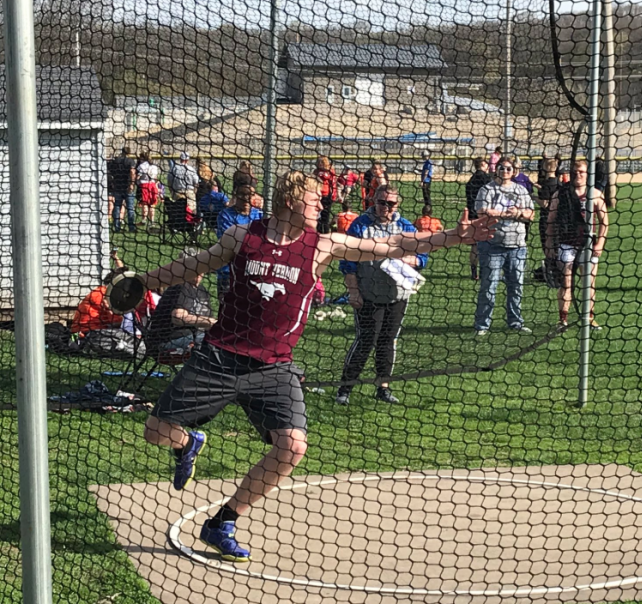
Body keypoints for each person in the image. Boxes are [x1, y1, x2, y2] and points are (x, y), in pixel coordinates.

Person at [136, 169, 496, 562]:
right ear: (290, 202)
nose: (321, 204)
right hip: (219, 356)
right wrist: (141, 282)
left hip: (273, 367)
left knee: (292, 447)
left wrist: (454, 237)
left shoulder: (322, 245)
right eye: (314, 200)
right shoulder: (242, 237)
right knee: (156, 431)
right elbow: (193, 265)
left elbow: (392, 243)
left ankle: (222, 522)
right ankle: (189, 444)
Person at [336, 185, 428, 406]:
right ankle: (345, 389)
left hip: (397, 294)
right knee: (366, 340)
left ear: (398, 204)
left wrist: (411, 260)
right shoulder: (360, 225)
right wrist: (353, 291)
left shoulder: (405, 226)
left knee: (388, 340)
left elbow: (423, 256)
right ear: (373, 201)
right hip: (368, 294)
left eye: (391, 204)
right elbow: (347, 262)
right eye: (381, 202)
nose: (386, 208)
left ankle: (383, 387)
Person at [474, 156, 535, 335]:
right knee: (489, 286)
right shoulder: (487, 189)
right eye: (502, 168)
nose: (505, 171)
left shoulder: (521, 190)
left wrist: (518, 213)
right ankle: (482, 325)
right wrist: (505, 213)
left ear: (514, 171)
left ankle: (515, 322)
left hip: (517, 246)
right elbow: (482, 211)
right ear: (496, 169)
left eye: (509, 168)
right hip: (492, 245)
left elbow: (531, 214)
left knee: (516, 286)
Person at [545, 159, 608, 330]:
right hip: (567, 243)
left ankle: (590, 317)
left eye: (582, 172)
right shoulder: (560, 194)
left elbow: (604, 222)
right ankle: (563, 319)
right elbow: (550, 221)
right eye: (575, 172)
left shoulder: (595, 194)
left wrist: (600, 243)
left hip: (588, 245)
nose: (578, 175)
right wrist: (550, 243)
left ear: (588, 174)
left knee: (589, 283)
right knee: (567, 283)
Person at [145, 248, 216, 353]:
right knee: (211, 343)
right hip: (167, 341)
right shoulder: (179, 287)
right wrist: (210, 322)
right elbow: (178, 318)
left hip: (193, 337)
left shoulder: (202, 290)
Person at [215, 185, 264, 308]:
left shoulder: (258, 214)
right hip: (228, 271)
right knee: (227, 308)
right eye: (243, 198)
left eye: (249, 198)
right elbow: (231, 241)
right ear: (236, 197)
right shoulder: (225, 215)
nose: (246, 202)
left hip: (252, 270)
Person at [71, 252, 127, 337]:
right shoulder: (106, 296)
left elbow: (121, 271)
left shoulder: (102, 290)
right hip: (89, 332)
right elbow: (116, 322)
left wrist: (115, 258)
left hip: (84, 329)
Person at [465, 158, 492, 280]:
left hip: (472, 215)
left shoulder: (471, 180)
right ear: (483, 164)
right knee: (486, 245)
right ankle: (484, 272)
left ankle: (473, 272)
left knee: (474, 246)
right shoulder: (486, 179)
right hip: (483, 215)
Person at [108, 147, 137, 233]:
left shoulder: (116, 161)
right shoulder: (130, 161)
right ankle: (131, 227)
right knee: (130, 208)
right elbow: (132, 172)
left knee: (117, 206)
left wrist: (114, 179)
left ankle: (117, 227)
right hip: (127, 186)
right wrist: (131, 183)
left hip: (117, 185)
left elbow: (110, 170)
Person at [537, 157, 560, 258]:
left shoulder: (546, 184)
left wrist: (533, 197)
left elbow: (545, 203)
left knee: (547, 248)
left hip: (546, 218)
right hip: (558, 218)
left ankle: (550, 268)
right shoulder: (559, 183)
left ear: (546, 167)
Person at [137, 151, 161, 228]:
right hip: (153, 184)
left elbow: (138, 176)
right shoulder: (154, 166)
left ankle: (144, 219)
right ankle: (152, 221)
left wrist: (136, 181)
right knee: (152, 204)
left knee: (145, 203)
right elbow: (156, 177)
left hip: (144, 185)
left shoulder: (142, 166)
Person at [313, 156, 337, 233]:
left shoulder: (330, 171)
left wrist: (333, 196)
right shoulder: (316, 171)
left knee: (325, 216)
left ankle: (326, 232)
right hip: (318, 195)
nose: (319, 164)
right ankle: (318, 232)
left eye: (321, 162)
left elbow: (333, 184)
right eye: (318, 162)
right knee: (318, 216)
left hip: (326, 196)